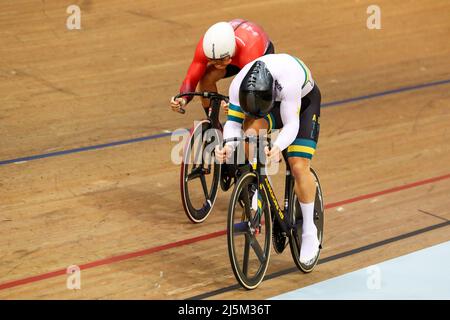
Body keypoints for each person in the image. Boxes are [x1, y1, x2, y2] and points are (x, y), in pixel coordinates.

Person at [216, 53, 321, 265]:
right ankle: (262, 187)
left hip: (303, 103)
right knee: (250, 133)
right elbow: (233, 124)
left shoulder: (288, 80)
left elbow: (292, 124)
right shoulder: (238, 85)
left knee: (298, 166)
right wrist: (227, 145)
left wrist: (278, 146)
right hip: (265, 106)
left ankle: (310, 230)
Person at [170, 19, 274, 114]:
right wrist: (183, 99)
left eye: (220, 60)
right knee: (206, 78)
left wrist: (237, 105)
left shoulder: (250, 51)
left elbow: (253, 88)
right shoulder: (204, 47)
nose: (217, 64)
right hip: (234, 56)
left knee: (256, 99)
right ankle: (212, 118)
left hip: (257, 53)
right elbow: (191, 79)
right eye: (212, 60)